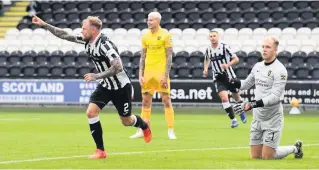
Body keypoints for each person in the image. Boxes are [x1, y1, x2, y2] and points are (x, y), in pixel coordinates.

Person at [32, 15, 152, 159]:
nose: (81, 31)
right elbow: (64, 35)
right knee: (91, 113)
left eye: (84, 29)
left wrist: (96, 76)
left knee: (126, 121)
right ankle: (100, 151)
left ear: (93, 30)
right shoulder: (86, 39)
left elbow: (118, 67)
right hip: (105, 86)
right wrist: (44, 24)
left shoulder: (105, 44)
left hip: (120, 87)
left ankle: (144, 125)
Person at [230, 36, 303, 160]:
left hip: (273, 118)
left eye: (268, 47)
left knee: (268, 157)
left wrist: (253, 104)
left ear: (275, 50)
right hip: (258, 116)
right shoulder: (258, 66)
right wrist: (232, 82)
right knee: (255, 156)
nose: (264, 49)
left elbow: (275, 97)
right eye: (263, 46)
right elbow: (246, 84)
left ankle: (295, 148)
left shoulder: (280, 70)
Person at [130, 12, 176, 139]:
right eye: (148, 20)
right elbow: (142, 56)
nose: (148, 22)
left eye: (151, 20)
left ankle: (171, 130)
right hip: (148, 74)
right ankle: (143, 130)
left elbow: (169, 56)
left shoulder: (166, 35)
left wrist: (165, 75)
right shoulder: (145, 36)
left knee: (166, 101)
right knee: (145, 102)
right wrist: (140, 74)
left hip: (160, 73)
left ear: (157, 21)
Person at [203, 29, 247, 128]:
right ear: (209, 38)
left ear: (218, 37)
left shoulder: (224, 47)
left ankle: (241, 112)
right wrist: (205, 69)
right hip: (218, 77)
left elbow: (236, 59)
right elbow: (206, 59)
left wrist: (227, 65)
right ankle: (233, 120)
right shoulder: (208, 49)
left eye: (214, 36)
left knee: (237, 97)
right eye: (211, 36)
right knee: (224, 98)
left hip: (229, 76)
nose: (212, 38)